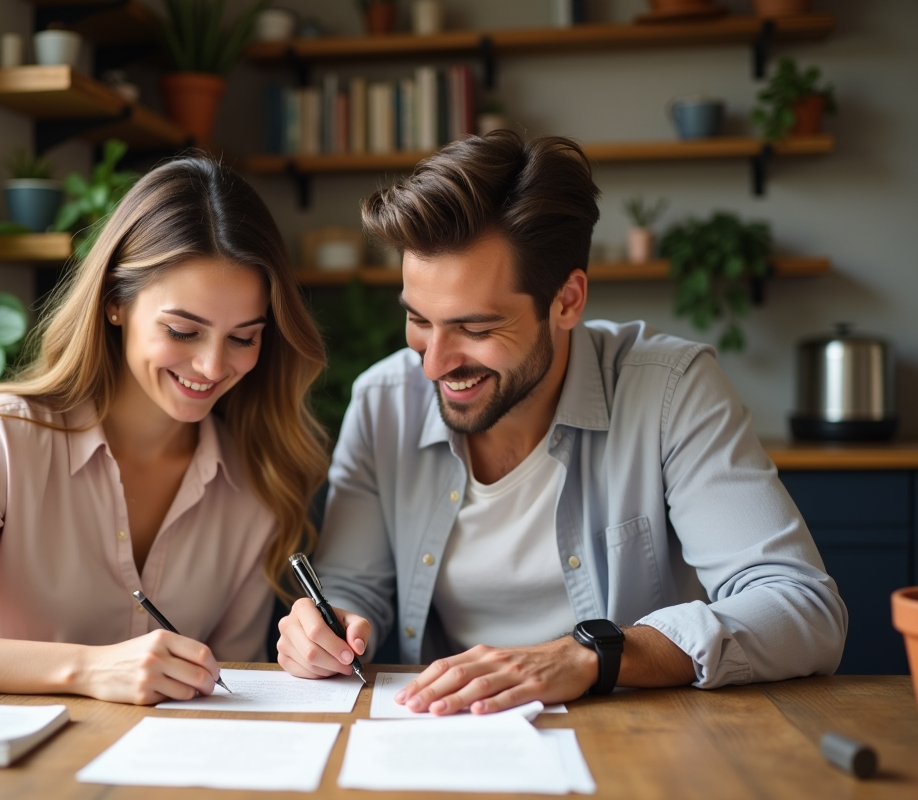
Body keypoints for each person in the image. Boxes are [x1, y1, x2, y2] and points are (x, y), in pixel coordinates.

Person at [276, 131, 847, 714]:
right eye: (419, 320)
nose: (434, 364)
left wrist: (589, 656)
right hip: (450, 731)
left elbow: (802, 606)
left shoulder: (672, 389)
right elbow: (352, 590)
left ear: (567, 301)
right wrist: (325, 630)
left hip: (638, 739)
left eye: (475, 328)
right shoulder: (384, 402)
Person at [0, 157, 328, 705]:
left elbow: (233, 687)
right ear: (115, 302)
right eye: (182, 330)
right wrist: (88, 669)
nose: (212, 366)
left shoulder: (257, 480)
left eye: (242, 338)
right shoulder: (5, 438)